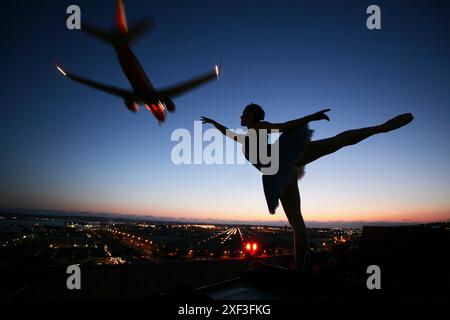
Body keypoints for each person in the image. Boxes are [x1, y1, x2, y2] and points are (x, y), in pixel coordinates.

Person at [201, 104, 413, 270]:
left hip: (283, 161)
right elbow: (228, 133)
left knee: (335, 142)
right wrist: (213, 123)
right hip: (280, 174)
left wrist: (311, 117)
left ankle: (383, 127)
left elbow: (285, 126)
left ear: (253, 116)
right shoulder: (248, 135)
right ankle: (299, 268)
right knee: (296, 222)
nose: (240, 117)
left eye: (243, 113)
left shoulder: (260, 127)